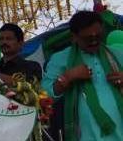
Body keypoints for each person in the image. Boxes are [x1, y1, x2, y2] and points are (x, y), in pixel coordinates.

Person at [42, 10, 123, 141]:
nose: (94, 41)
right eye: (88, 38)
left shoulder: (118, 54)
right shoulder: (60, 59)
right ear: (74, 37)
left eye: (98, 36)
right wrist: (67, 77)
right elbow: (45, 94)